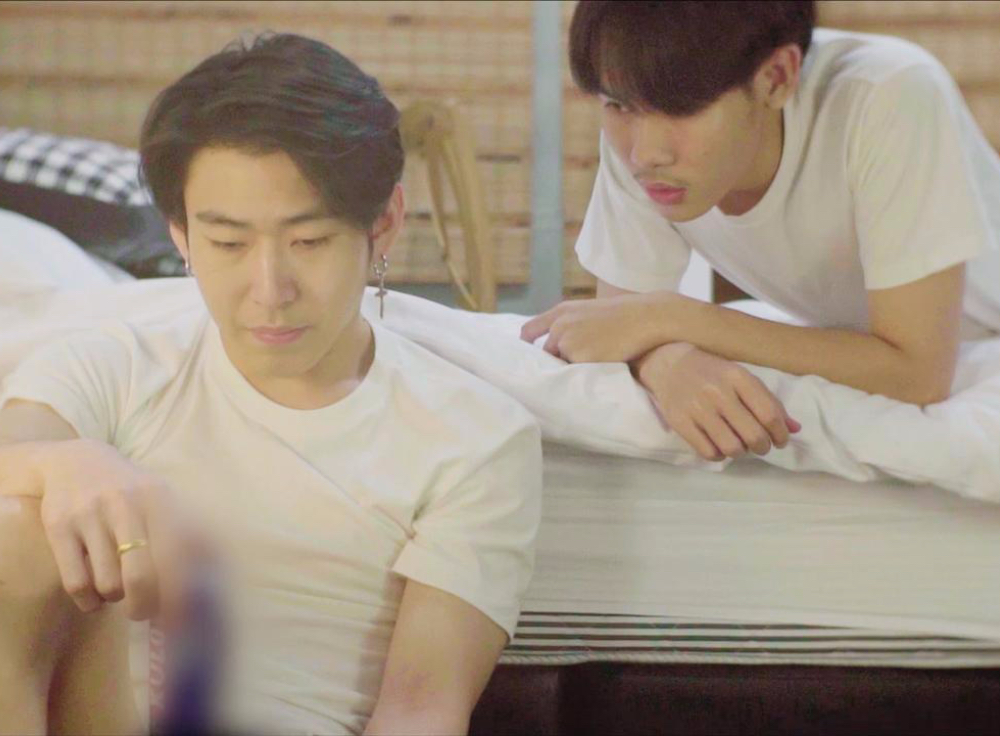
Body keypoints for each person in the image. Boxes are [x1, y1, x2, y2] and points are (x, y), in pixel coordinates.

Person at [0, 33, 542, 735]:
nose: (269, 289)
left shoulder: (475, 437)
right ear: (181, 235)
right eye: (228, 243)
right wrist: (63, 462)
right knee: (20, 521)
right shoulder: (114, 365)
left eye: (309, 242)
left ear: (383, 224)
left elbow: (421, 709)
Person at [521, 0, 1000, 463]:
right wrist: (667, 362)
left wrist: (676, 318)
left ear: (776, 78)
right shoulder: (639, 142)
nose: (645, 154)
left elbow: (918, 374)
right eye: (617, 104)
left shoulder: (888, 95)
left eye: (682, 110)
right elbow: (622, 323)